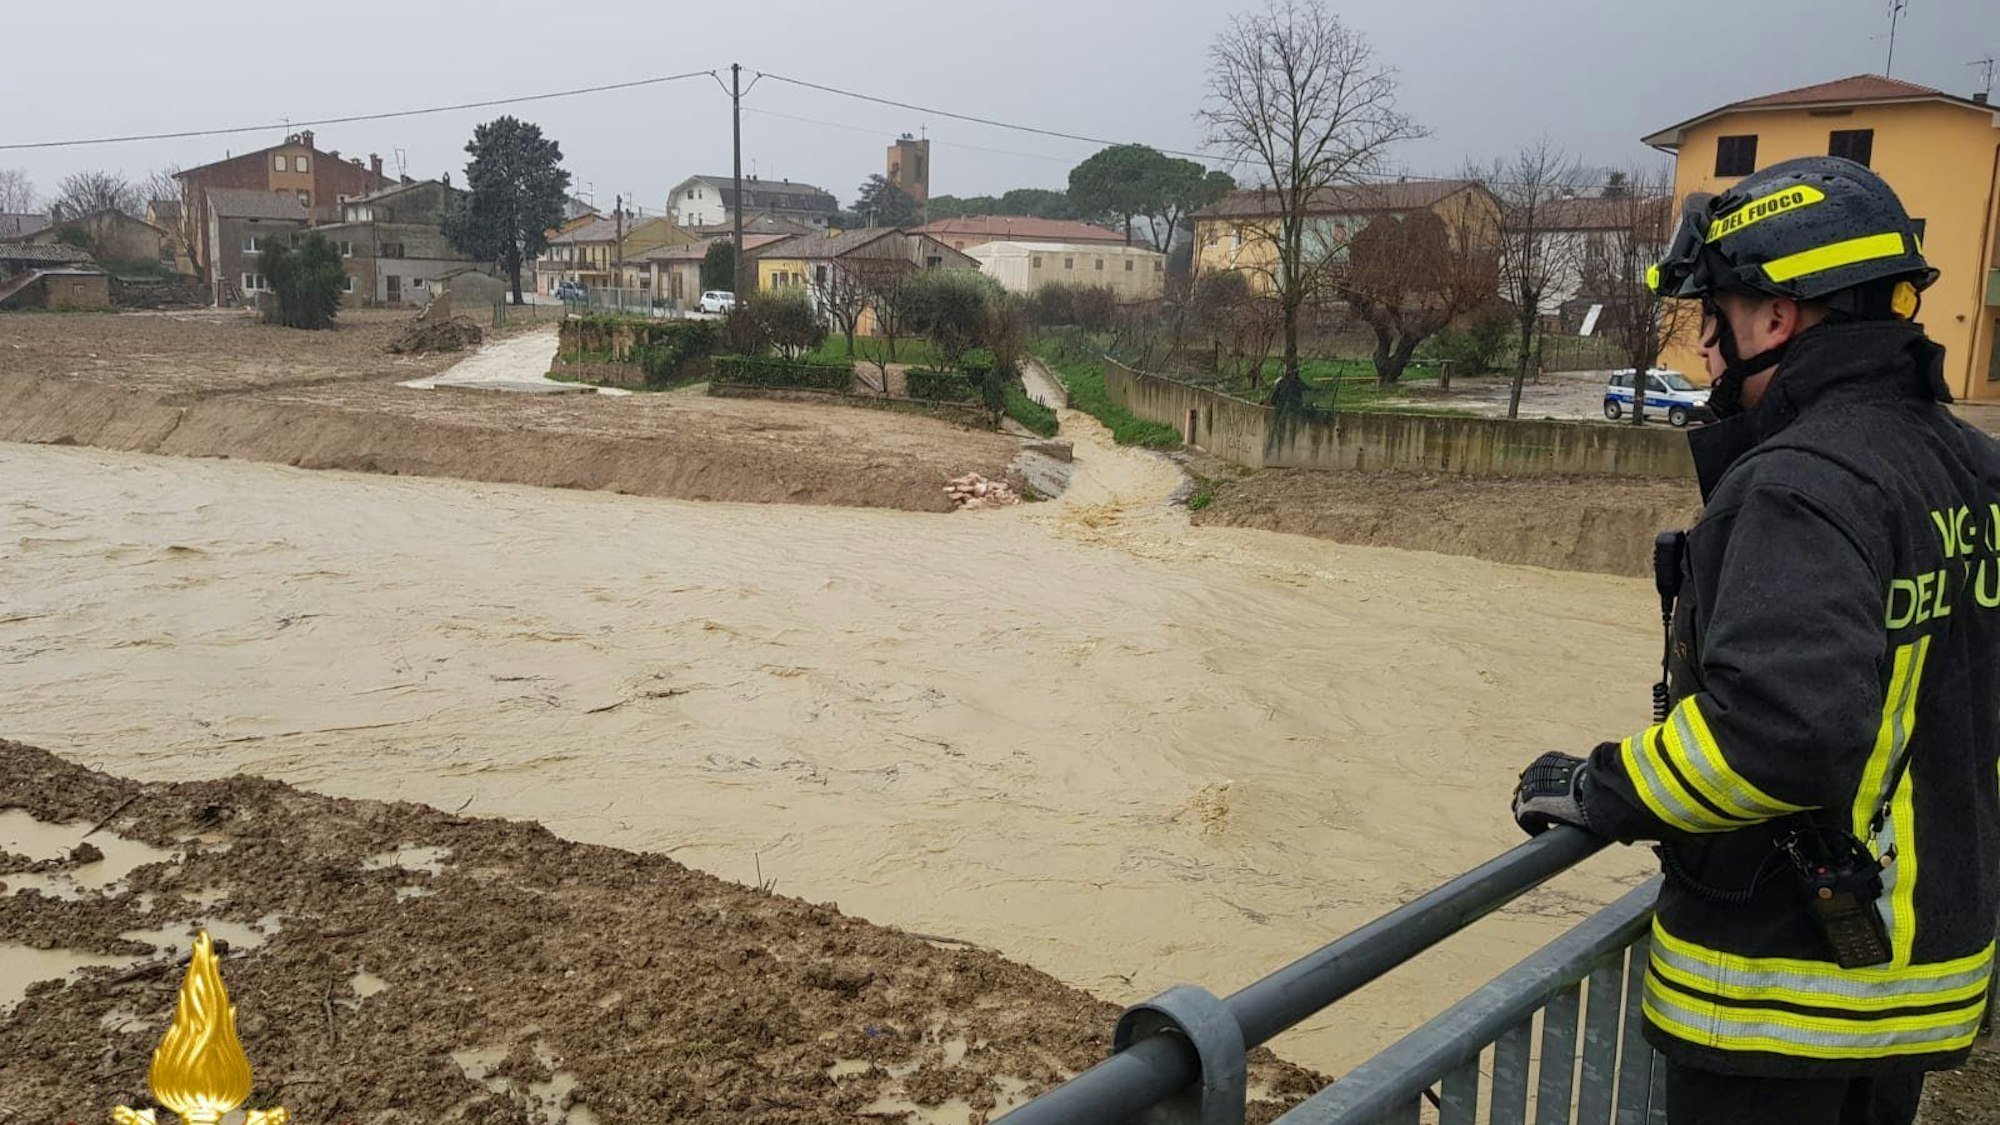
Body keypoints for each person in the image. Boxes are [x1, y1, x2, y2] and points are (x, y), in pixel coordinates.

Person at [1511, 155, 2000, 1125]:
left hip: (1784, 997)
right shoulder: (1968, 466)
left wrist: (1596, 787)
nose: (1700, 346)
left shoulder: (1797, 484)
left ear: (1773, 318)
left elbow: (1773, 733)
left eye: (1713, 315)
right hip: (1917, 977)